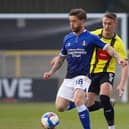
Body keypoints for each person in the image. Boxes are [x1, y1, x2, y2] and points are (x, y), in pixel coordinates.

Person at [43, 9, 126, 129]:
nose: (71, 24)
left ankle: (106, 125)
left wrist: (118, 58)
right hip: (70, 77)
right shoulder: (67, 38)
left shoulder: (91, 37)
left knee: (81, 99)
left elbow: (109, 48)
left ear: (82, 22)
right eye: (70, 21)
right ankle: (90, 103)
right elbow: (61, 58)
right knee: (61, 107)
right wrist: (51, 72)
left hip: (85, 75)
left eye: (74, 21)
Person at [87, 13, 128, 129]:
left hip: (107, 73)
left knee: (104, 96)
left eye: (109, 24)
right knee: (88, 106)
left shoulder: (118, 43)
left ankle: (111, 127)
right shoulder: (94, 35)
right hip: (92, 72)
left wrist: (122, 84)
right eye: (104, 23)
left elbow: (125, 65)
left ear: (115, 24)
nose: (106, 26)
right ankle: (108, 104)